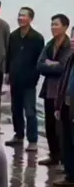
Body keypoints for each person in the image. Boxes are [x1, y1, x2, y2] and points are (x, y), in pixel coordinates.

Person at [4, 7, 44, 153]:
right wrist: (7, 72)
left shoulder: (37, 38)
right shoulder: (13, 36)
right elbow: (9, 55)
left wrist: (35, 77)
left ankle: (32, 140)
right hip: (15, 79)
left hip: (29, 82)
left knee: (30, 112)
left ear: (30, 19)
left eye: (24, 16)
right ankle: (18, 135)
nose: (20, 18)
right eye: (19, 15)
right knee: (16, 110)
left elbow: (40, 60)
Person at [37, 13, 72, 167]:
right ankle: (53, 155)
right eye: (52, 24)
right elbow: (39, 65)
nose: (53, 27)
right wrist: (52, 64)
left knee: (61, 127)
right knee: (49, 124)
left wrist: (50, 64)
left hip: (62, 91)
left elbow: (64, 68)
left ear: (65, 27)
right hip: (49, 90)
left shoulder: (68, 46)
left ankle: (64, 159)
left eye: (56, 24)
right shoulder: (50, 44)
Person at [54, 39, 74, 187]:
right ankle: (70, 174)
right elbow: (63, 82)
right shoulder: (70, 58)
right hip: (66, 105)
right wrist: (58, 106)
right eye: (72, 36)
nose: (72, 40)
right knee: (67, 141)